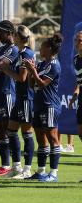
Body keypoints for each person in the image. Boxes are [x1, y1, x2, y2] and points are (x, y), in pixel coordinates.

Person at [24, 33, 63, 182]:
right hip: (38, 104)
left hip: (50, 105)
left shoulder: (54, 65)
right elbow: (31, 85)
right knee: (41, 139)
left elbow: (42, 83)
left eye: (43, 46)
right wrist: (30, 72)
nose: (40, 48)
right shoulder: (41, 64)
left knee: (53, 138)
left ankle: (53, 173)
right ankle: (40, 171)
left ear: (49, 48)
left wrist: (33, 71)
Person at [0, 25, 36, 179]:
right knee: (11, 131)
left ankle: (27, 170)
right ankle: (16, 167)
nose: (12, 38)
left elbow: (22, 78)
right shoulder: (21, 53)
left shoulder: (26, 53)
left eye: (14, 35)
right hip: (19, 98)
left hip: (26, 97)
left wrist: (5, 70)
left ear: (18, 37)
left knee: (27, 133)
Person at [0, 20, 19, 176]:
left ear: (8, 33)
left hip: (7, 91)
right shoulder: (2, 48)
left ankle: (16, 165)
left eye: (0, 33)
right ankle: (4, 165)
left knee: (9, 130)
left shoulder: (13, 50)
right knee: (0, 131)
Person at [68, 30, 82, 153]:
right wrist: (75, 94)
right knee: (80, 130)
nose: (77, 43)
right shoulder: (76, 59)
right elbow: (79, 80)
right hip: (81, 96)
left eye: (80, 40)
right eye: (76, 40)